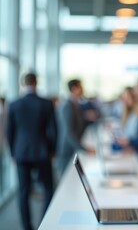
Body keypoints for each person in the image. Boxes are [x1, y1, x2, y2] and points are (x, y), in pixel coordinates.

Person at [6, 73, 57, 230]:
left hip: (21, 152)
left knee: (23, 191)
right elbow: (53, 130)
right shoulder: (46, 103)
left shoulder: (14, 104)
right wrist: (52, 150)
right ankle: (44, 222)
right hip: (42, 151)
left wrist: (13, 153)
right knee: (48, 188)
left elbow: (9, 131)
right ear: (36, 82)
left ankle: (27, 226)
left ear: (23, 83)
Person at [56, 79, 95, 176]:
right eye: (81, 87)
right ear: (74, 89)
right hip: (68, 150)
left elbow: (78, 124)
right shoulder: (67, 106)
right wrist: (84, 149)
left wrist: (88, 119)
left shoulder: (76, 105)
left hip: (74, 148)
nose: (83, 89)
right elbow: (68, 132)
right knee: (66, 181)